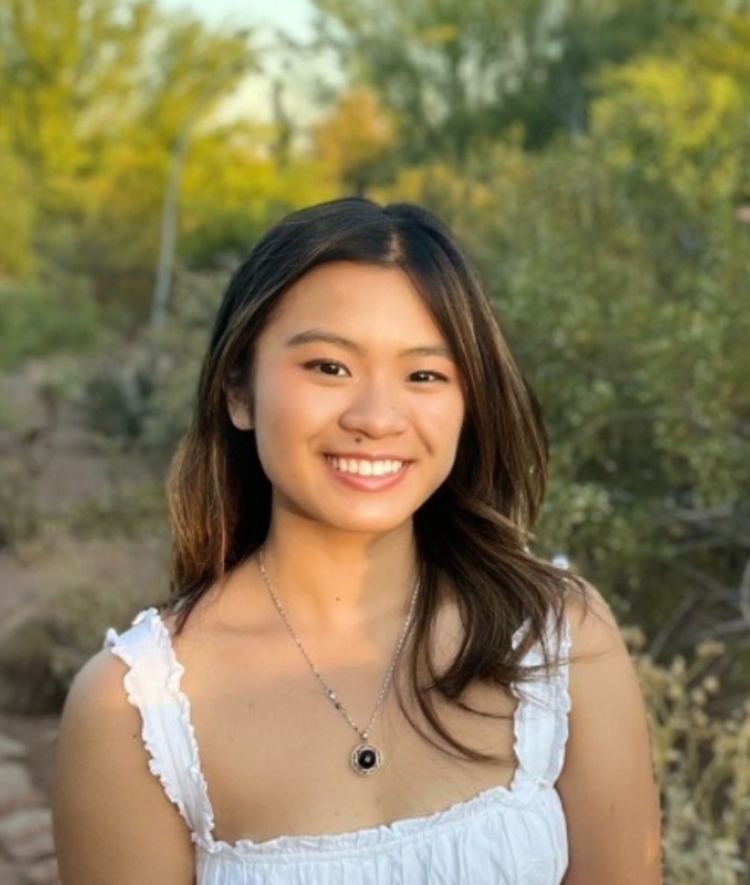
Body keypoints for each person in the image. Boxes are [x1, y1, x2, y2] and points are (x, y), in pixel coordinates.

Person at [52, 197, 662, 884]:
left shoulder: (560, 640)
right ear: (238, 391)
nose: (376, 417)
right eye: (328, 367)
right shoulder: (135, 711)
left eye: (424, 375)